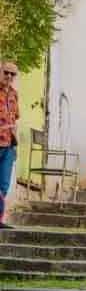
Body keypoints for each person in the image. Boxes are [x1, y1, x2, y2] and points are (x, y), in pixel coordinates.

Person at [0, 62, 19, 229]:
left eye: (13, 74)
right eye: (6, 72)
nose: (9, 76)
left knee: (4, 185)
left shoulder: (14, 95)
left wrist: (15, 147)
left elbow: (14, 121)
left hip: (8, 146)